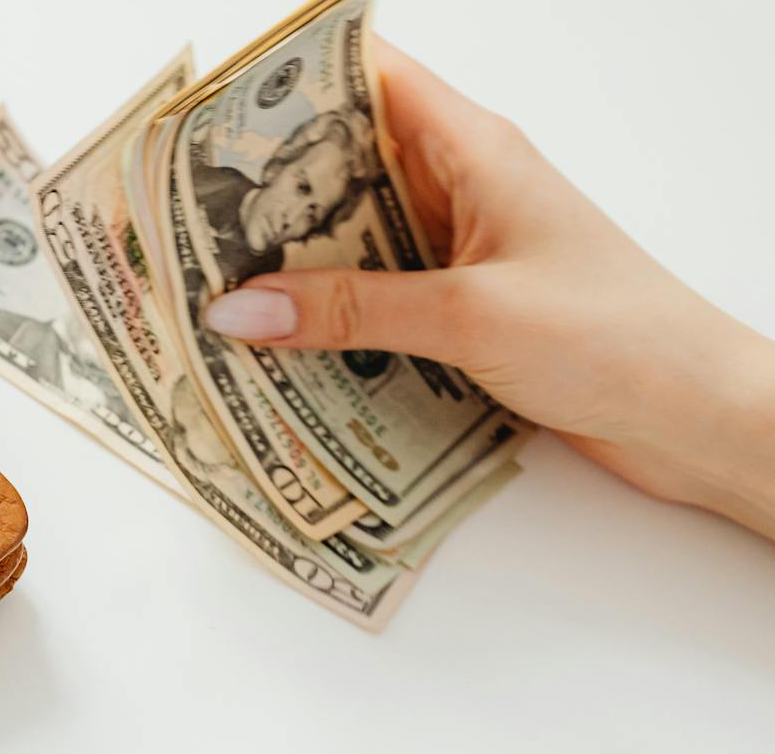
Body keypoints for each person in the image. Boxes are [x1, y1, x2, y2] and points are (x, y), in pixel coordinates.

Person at [201, 38, 775, 542]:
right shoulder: (209, 185)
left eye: (314, 206)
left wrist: (695, 415)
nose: (299, 211)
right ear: (280, 161)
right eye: (302, 183)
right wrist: (700, 418)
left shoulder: (283, 256)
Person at [192, 106, 379, 284]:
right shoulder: (218, 181)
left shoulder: (269, 270)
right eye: (302, 187)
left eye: (311, 215)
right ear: (276, 169)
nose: (290, 218)